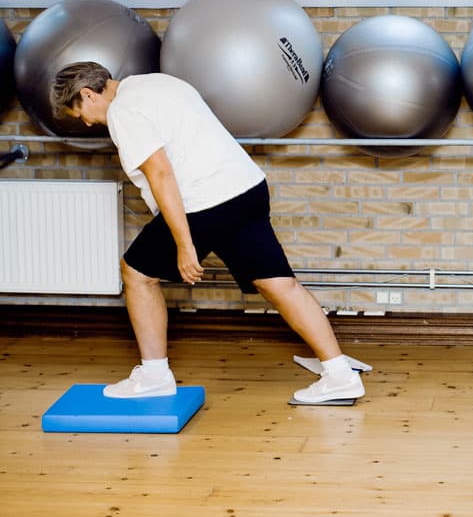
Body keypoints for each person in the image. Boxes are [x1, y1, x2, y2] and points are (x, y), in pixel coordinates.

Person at [50, 62, 363, 404]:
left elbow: (161, 174)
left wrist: (185, 245)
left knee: (136, 273)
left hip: (205, 204)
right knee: (278, 283)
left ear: (88, 94)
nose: (86, 123)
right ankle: (339, 374)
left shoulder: (122, 111)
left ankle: (154, 376)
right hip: (246, 189)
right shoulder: (153, 82)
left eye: (80, 113)